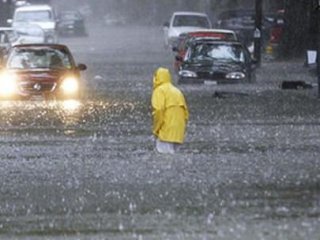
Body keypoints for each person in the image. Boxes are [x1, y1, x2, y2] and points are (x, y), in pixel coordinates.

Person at [151, 67, 189, 154]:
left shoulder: (159, 91)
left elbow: (159, 111)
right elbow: (186, 114)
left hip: (166, 132)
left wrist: (156, 130)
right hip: (178, 133)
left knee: (163, 160)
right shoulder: (177, 91)